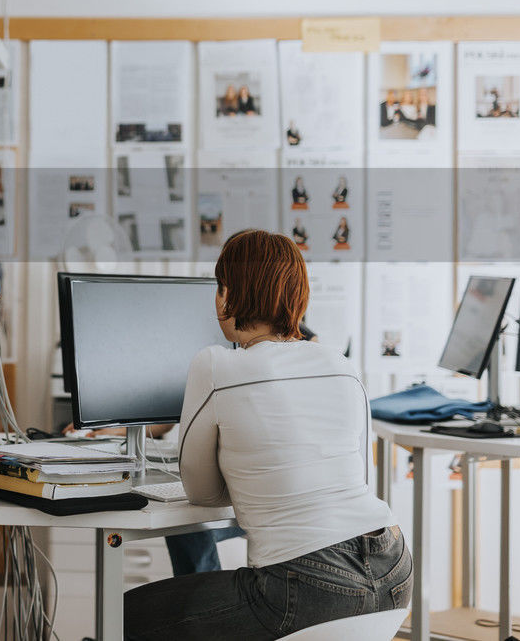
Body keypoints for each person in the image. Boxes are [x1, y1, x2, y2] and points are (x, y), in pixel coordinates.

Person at [124, 230, 407, 640]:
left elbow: (202, 493)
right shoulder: (342, 364)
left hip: (305, 585)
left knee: (120, 615)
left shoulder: (215, 366)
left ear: (228, 294)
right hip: (393, 568)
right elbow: (352, 476)